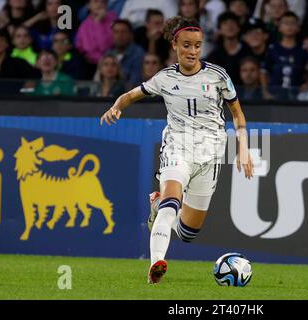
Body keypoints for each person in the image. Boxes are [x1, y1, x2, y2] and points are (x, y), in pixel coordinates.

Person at [100, 16, 253, 284]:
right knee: (172, 204)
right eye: (186, 45)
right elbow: (130, 95)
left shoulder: (218, 76)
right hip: (177, 148)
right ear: (175, 45)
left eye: (197, 46)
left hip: (211, 153)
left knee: (188, 232)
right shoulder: (164, 78)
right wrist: (116, 107)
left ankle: (156, 203)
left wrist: (243, 148)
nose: (192, 51)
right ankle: (156, 262)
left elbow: (237, 114)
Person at [261, 11, 308, 99]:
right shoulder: (273, 49)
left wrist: (306, 84)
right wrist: (265, 92)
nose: (289, 26)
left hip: (297, 97)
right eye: (286, 23)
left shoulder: (303, 50)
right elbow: (264, 72)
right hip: (274, 95)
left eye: (292, 23)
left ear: (298, 28)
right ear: (280, 27)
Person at [207, 11, 253, 85]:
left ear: (238, 28)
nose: (229, 26)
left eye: (233, 23)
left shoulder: (248, 52)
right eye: (225, 23)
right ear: (220, 30)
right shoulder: (214, 56)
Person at [107, 19, 145, 88]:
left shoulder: (138, 53)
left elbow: (134, 82)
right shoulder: (108, 53)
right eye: (116, 32)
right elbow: (99, 79)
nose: (119, 35)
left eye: (123, 32)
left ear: (131, 35)